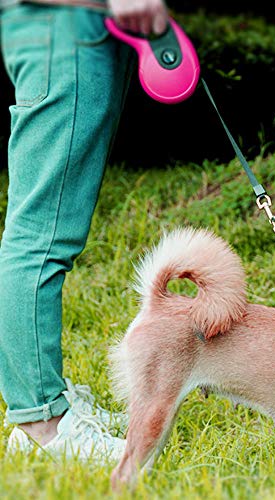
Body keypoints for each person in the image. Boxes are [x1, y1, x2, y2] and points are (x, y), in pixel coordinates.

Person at [0, 0, 168, 460]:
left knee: (52, 230)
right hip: (62, 25)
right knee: (41, 235)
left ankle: (41, 407)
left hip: (78, 27)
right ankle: (42, 424)